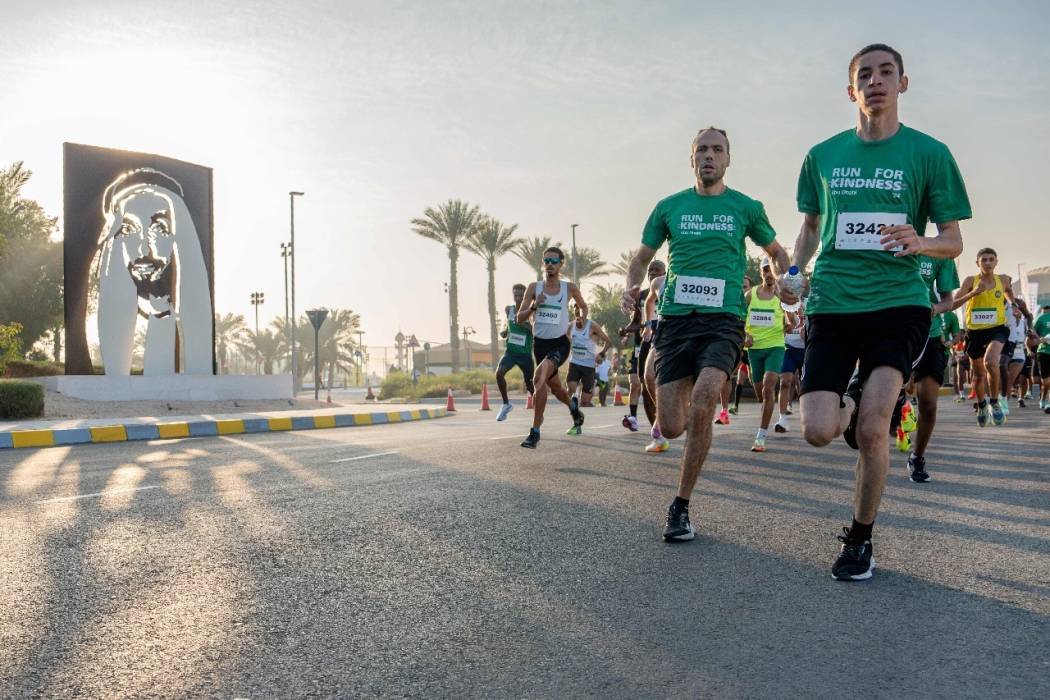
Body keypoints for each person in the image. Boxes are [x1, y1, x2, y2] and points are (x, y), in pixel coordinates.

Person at [790, 44, 970, 580]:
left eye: (886, 73)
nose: (875, 81)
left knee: (873, 428)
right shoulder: (822, 155)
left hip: (899, 304)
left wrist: (922, 241)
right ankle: (848, 397)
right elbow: (811, 226)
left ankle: (860, 540)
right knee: (818, 430)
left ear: (902, 84)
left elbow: (954, 240)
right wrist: (795, 271)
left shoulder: (930, 153)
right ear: (851, 90)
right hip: (833, 302)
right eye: (864, 75)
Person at [622, 126, 791, 543]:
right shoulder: (669, 207)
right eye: (702, 150)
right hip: (676, 322)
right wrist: (631, 287)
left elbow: (776, 252)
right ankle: (670, 405)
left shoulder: (746, 207)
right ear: (691, 159)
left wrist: (789, 279)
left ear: (728, 159)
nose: (709, 156)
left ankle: (680, 506)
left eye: (717, 150)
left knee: (703, 399)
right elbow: (641, 258)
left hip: (724, 321)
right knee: (671, 426)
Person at [516, 247, 587, 448]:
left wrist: (581, 318)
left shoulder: (569, 288)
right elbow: (519, 317)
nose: (550, 264)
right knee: (555, 388)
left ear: (561, 264)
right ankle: (573, 408)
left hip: (559, 343)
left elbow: (583, 306)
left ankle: (535, 432)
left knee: (539, 378)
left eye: (554, 261)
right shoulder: (534, 288)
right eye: (546, 261)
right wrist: (534, 306)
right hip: (539, 345)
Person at [905, 255, 961, 482]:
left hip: (930, 335)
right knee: (890, 396)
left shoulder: (941, 254)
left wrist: (935, 308)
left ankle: (917, 457)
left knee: (928, 405)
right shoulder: (887, 243)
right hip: (894, 332)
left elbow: (948, 300)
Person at [957, 248, 1014, 426]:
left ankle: (995, 403)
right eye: (984, 260)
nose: (988, 263)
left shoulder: (1002, 280)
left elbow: (1008, 291)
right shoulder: (970, 281)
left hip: (997, 328)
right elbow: (953, 303)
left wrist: (1013, 305)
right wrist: (973, 293)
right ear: (977, 263)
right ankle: (982, 405)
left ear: (996, 262)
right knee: (978, 375)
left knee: (991, 362)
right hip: (975, 333)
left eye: (991, 259)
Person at [743, 258, 787, 452]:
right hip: (754, 349)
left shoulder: (782, 295)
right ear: (761, 272)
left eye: (772, 270)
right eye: (765, 270)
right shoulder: (750, 295)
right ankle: (766, 411)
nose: (769, 274)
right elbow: (737, 316)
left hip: (775, 346)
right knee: (761, 393)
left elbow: (793, 319)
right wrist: (744, 334)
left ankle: (760, 437)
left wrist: (789, 321)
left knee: (768, 387)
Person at [565, 305, 611, 432]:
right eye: (576, 311)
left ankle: (578, 413)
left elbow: (608, 341)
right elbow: (564, 338)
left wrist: (601, 354)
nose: (579, 315)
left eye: (582, 312)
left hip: (589, 366)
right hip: (574, 363)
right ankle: (576, 417)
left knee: (585, 401)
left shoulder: (593, 326)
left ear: (586, 313)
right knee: (571, 389)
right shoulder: (570, 326)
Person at [495, 284, 536, 421]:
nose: (518, 298)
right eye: (515, 295)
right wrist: (505, 332)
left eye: (521, 295)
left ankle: (538, 408)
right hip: (511, 353)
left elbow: (535, 331)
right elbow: (507, 327)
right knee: (499, 373)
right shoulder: (509, 310)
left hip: (525, 355)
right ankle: (506, 404)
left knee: (530, 385)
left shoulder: (531, 311)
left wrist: (523, 324)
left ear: (525, 296)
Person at [643, 270, 670, 452]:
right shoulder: (659, 282)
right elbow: (649, 301)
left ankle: (661, 427)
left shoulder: (698, 277)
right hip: (662, 335)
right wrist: (648, 325)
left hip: (689, 336)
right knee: (649, 376)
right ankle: (662, 416)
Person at [777, 301, 806, 433]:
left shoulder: (811, 300)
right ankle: (782, 420)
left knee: (805, 385)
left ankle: (808, 417)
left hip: (807, 349)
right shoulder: (785, 302)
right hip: (788, 348)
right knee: (785, 382)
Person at [1034, 304, 1050, 412]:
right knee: (1046, 382)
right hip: (1043, 352)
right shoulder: (1040, 318)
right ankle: (1043, 398)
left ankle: (1048, 404)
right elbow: (1032, 332)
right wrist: (1040, 339)